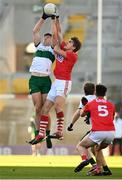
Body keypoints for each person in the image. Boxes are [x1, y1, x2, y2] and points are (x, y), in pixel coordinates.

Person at [29, 12, 82, 145]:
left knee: (58, 106)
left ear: (73, 47)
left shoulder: (73, 55)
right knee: (45, 109)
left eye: (70, 42)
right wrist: (56, 19)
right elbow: (58, 33)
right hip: (56, 82)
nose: (67, 42)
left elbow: (56, 44)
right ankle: (41, 134)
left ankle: (59, 132)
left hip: (64, 82)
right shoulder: (64, 47)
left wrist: (53, 21)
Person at [67, 82, 112, 176]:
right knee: (95, 148)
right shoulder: (107, 102)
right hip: (111, 131)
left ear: (84, 90)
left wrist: (71, 124)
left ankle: (90, 163)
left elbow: (80, 113)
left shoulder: (86, 99)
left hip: (98, 130)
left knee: (81, 145)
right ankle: (104, 169)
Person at [28, 10, 57, 148]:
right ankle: (38, 133)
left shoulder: (52, 50)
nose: (46, 38)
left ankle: (48, 133)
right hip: (34, 79)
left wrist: (53, 20)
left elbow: (55, 34)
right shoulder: (38, 46)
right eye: (45, 37)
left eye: (49, 37)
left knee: (45, 109)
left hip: (46, 80)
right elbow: (35, 31)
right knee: (37, 107)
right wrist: (44, 17)